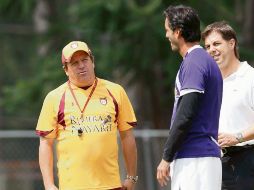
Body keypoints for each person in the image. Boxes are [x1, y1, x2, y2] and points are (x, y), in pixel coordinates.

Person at [36, 41, 138, 190]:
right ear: (66, 69)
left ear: (93, 61)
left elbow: (127, 136)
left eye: (85, 60)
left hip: (110, 185)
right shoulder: (54, 97)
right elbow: (45, 144)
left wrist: (131, 177)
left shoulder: (115, 91)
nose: (81, 66)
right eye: (74, 63)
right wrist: (49, 184)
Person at [156, 5, 223, 190]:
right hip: (198, 158)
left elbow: (186, 113)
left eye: (167, 30)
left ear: (177, 32)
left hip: (195, 158)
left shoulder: (195, 62)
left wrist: (166, 157)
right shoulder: (200, 60)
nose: (166, 35)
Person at [202, 21, 254, 190]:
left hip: (248, 162)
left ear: (232, 43)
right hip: (218, 164)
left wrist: (237, 137)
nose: (211, 50)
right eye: (208, 46)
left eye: (216, 43)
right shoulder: (210, 83)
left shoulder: (250, 78)